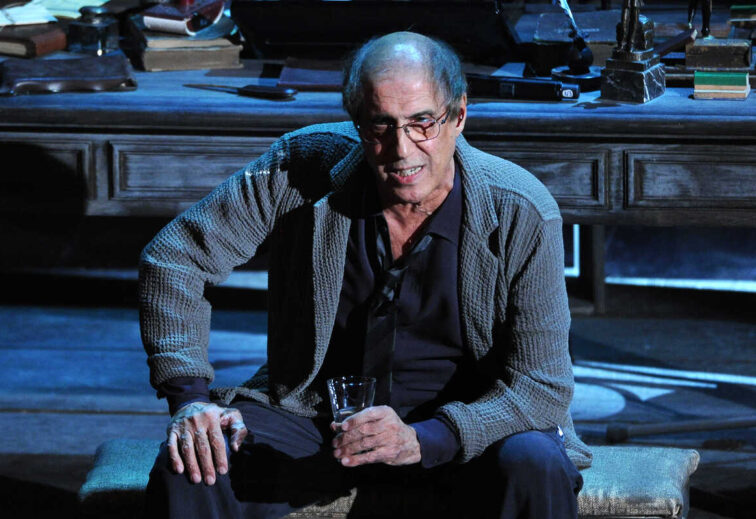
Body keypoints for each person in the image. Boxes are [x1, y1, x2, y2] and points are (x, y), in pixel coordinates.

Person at [140, 31, 592, 519]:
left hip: (466, 429)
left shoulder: (520, 208)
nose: (401, 150)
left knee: (534, 462)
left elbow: (542, 388)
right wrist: (189, 398)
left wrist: (426, 437)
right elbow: (175, 256)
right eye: (381, 125)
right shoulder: (301, 166)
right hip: (315, 417)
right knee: (193, 465)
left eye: (422, 123)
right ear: (356, 121)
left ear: (459, 115)